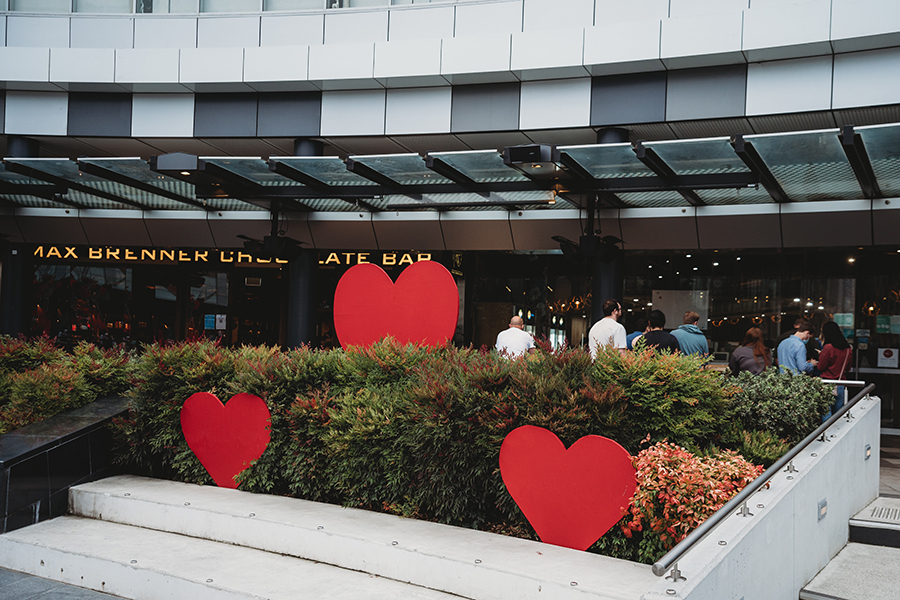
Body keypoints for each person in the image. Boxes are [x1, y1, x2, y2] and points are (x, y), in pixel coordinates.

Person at [818, 321, 853, 412]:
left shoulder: (828, 347)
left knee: (826, 412)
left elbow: (820, 367)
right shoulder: (848, 349)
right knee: (839, 413)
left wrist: (821, 356)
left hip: (827, 383)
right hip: (841, 383)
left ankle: (827, 427)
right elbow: (848, 368)